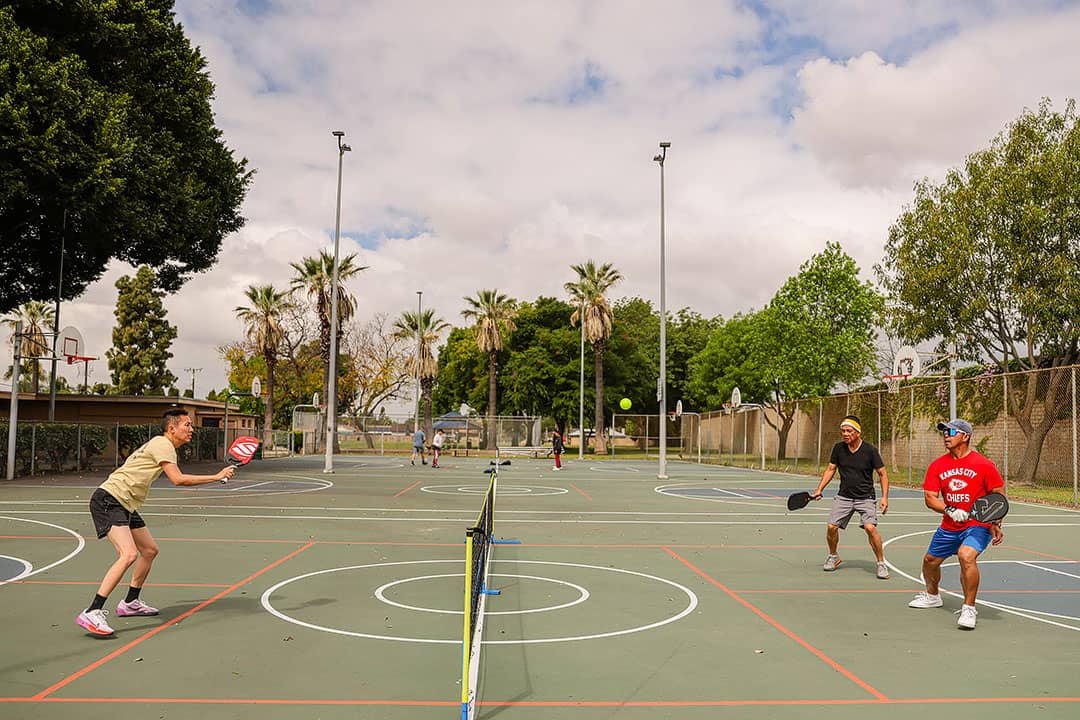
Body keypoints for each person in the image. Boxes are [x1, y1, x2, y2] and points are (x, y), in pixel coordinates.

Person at [75, 408, 235, 636]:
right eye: (187, 425)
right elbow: (178, 479)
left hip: (126, 503)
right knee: (128, 554)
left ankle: (130, 603)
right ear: (172, 428)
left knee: (149, 550)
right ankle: (92, 610)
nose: (191, 429)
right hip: (110, 499)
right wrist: (216, 476)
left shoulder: (163, 445)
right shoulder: (163, 444)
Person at [908, 418, 1004, 630]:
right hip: (949, 525)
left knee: (966, 556)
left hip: (978, 525)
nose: (946, 435)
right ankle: (933, 596)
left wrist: (995, 521)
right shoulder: (938, 465)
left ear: (966, 436)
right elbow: (930, 497)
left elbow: (998, 495)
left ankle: (969, 608)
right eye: (944, 432)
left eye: (951, 432)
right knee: (929, 561)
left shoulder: (984, 465)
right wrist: (950, 510)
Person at [811, 414, 890, 579]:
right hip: (844, 496)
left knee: (870, 527)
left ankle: (881, 563)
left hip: (865, 496)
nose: (845, 434)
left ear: (857, 432)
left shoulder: (870, 450)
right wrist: (819, 489)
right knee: (832, 527)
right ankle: (833, 556)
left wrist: (884, 498)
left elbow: (882, 474)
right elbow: (831, 469)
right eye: (843, 431)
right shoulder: (838, 448)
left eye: (849, 431)